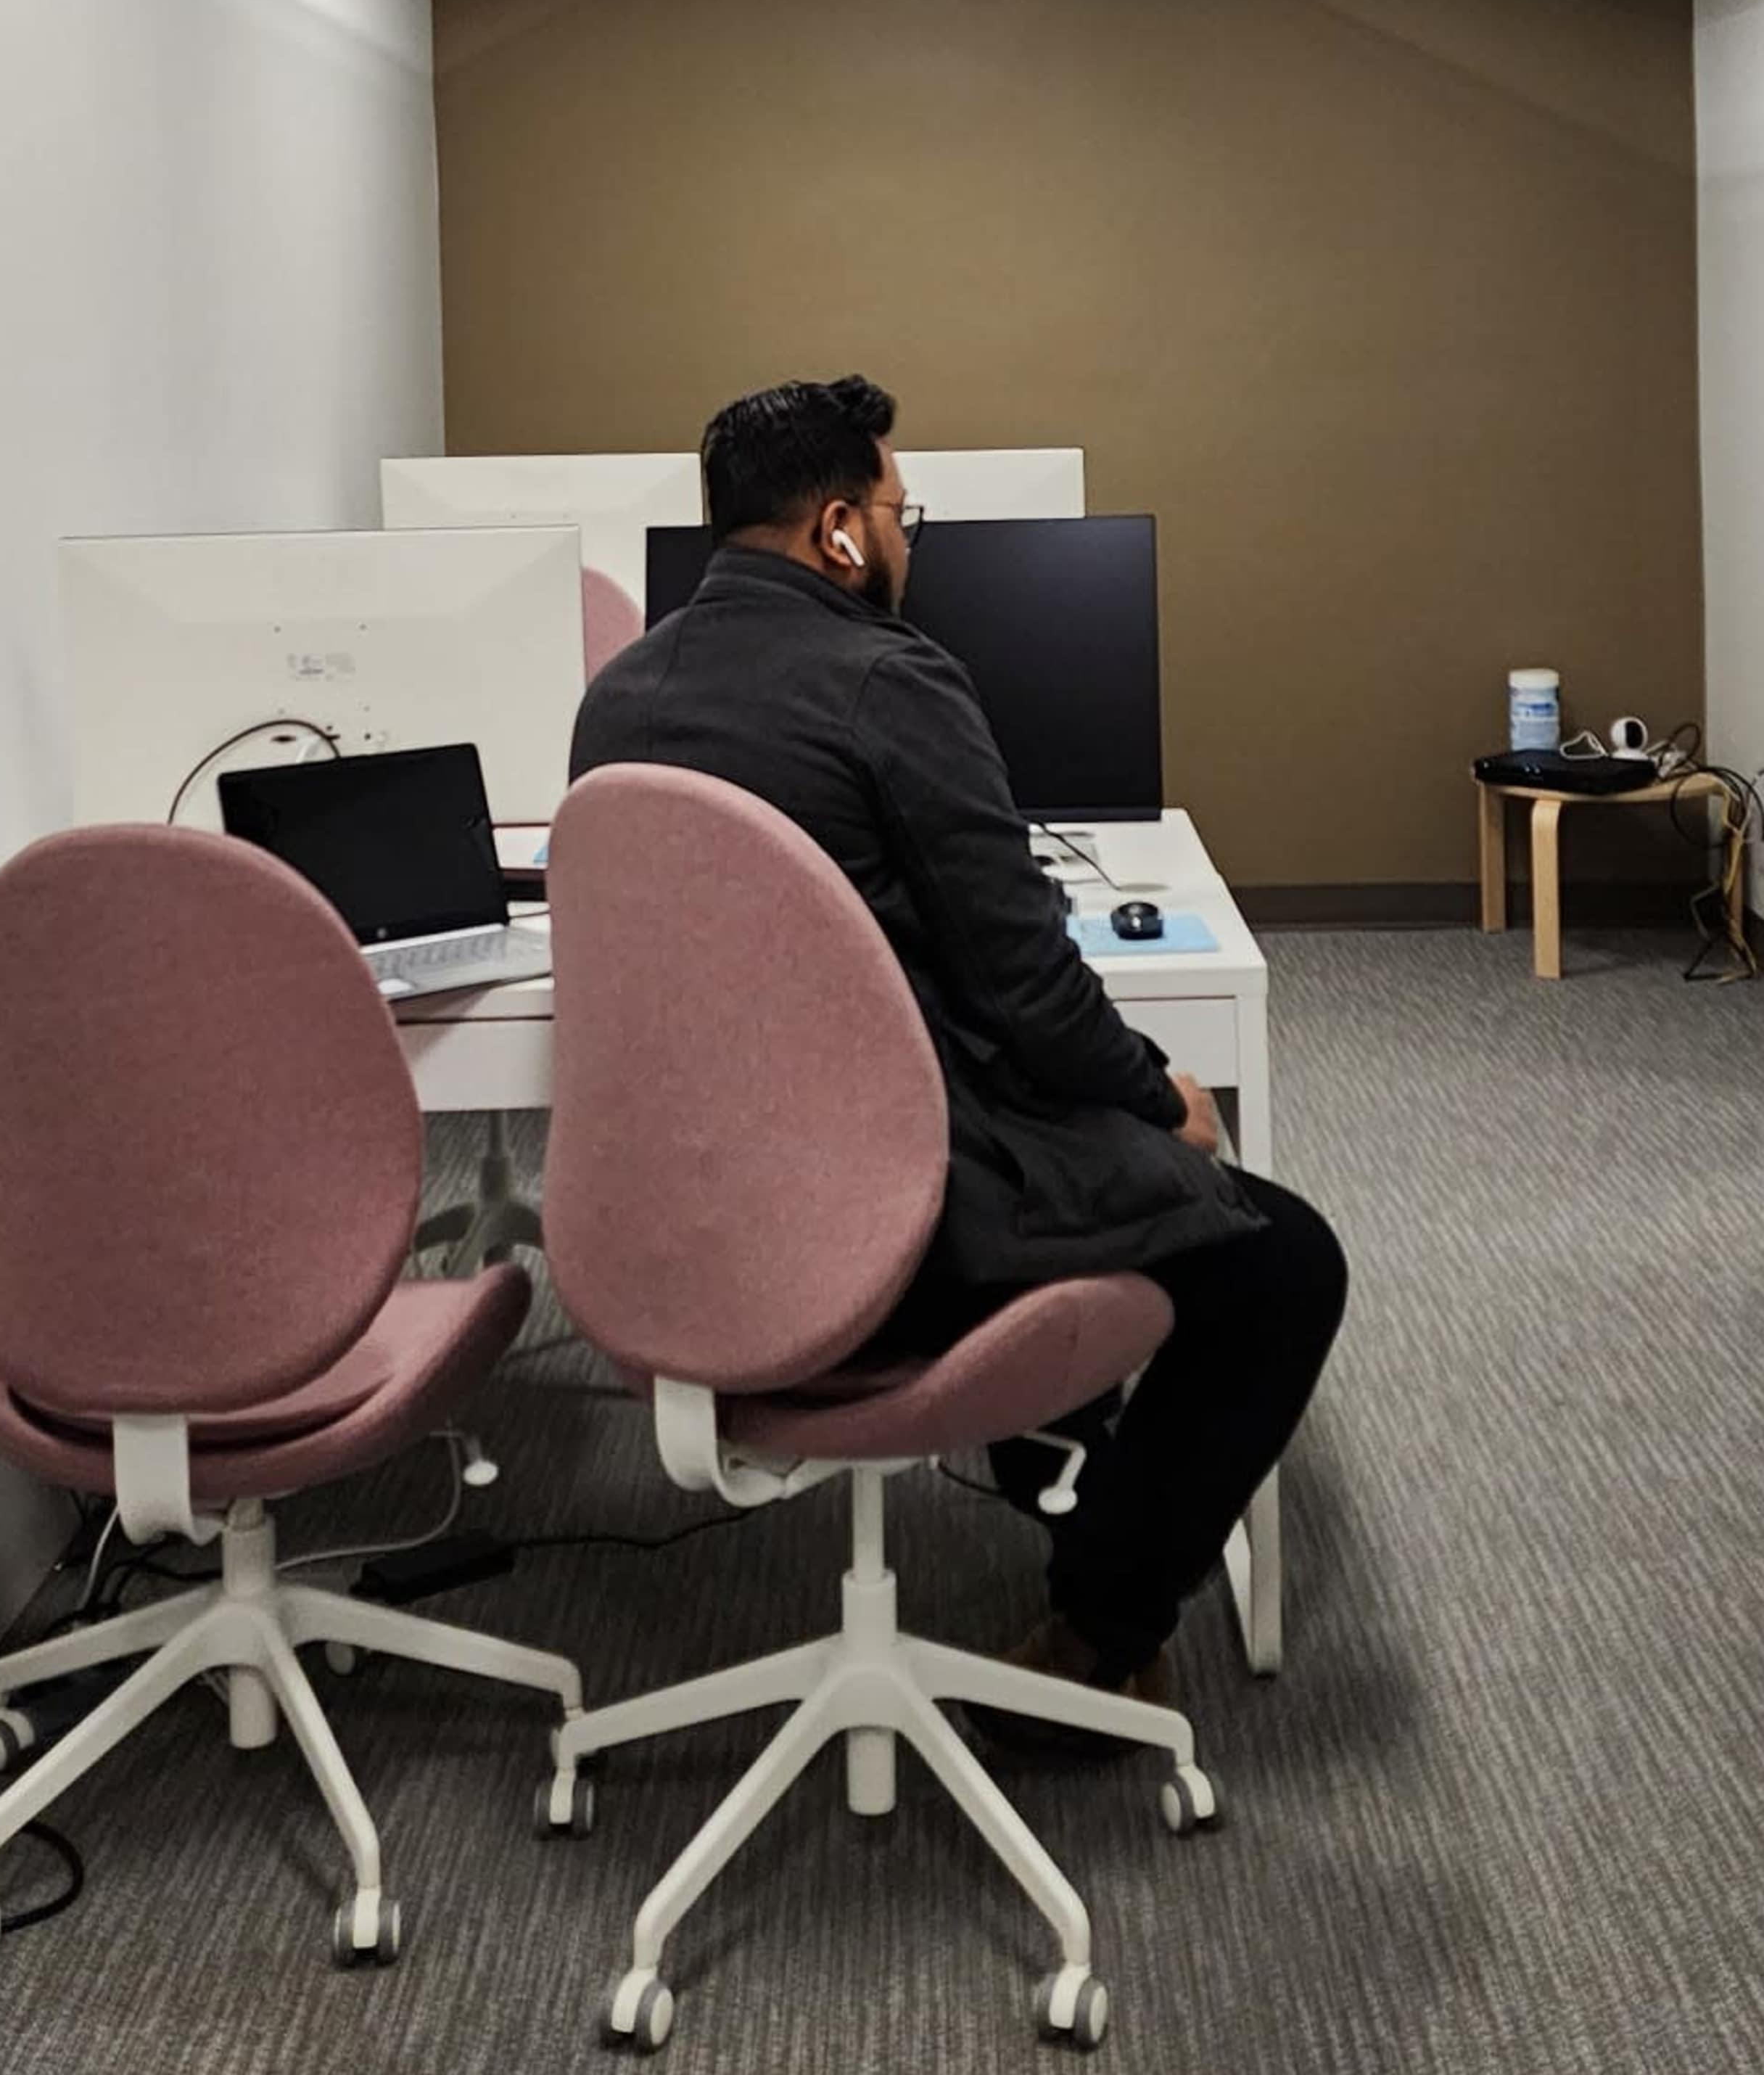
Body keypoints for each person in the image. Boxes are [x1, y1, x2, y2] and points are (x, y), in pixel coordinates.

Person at [569, 372, 1346, 1704]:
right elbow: (1030, 990)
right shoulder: (891, 680)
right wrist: (1163, 1097)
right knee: (1281, 1264)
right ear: (837, 532)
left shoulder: (618, 701)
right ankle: (1102, 1630)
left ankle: (1053, 1465)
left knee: (1096, 1173)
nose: (908, 538)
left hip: (686, 1228)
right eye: (898, 508)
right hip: (890, 1222)